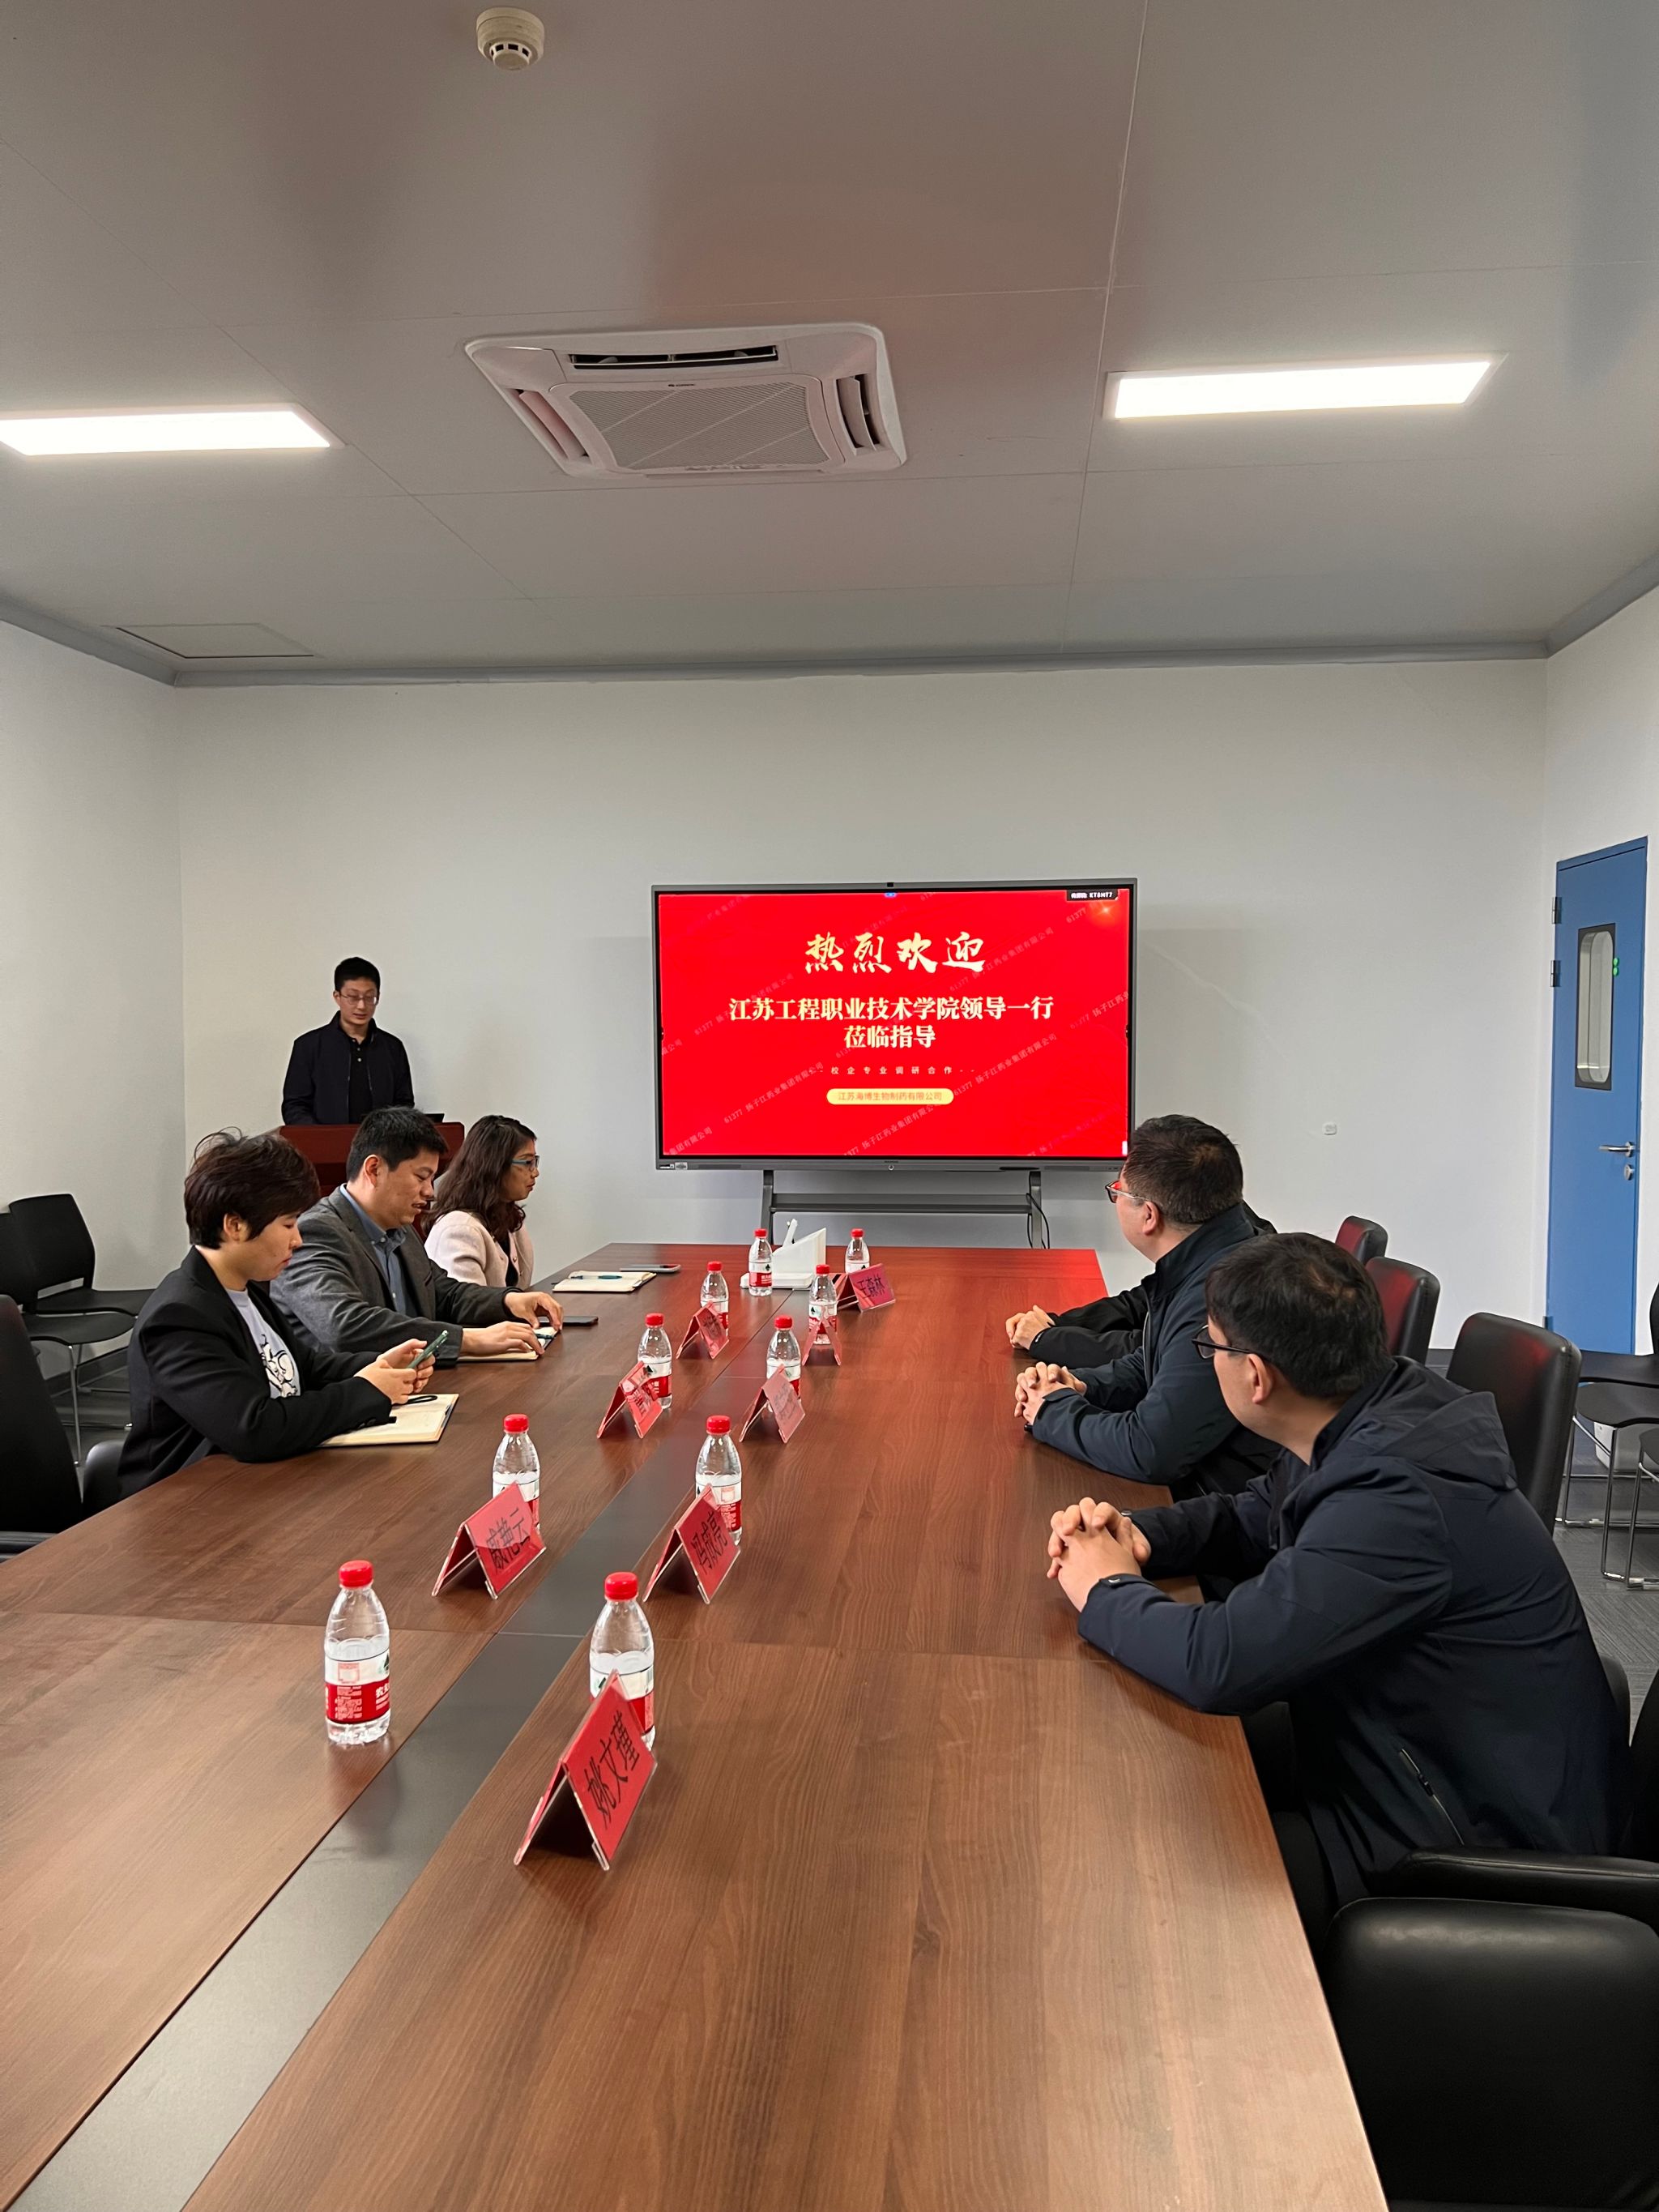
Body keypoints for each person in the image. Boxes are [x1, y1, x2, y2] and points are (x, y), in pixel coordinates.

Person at [1045, 1233, 1630, 1940]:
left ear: (1255, 1377)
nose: (1208, 1360)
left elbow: (1220, 1661)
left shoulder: (1396, 1499)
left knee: (1157, 1869)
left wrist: (1105, 1587)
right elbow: (1259, 1512)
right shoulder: (1370, 1410)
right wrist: (1141, 1535)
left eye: (1210, 1348)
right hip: (1395, 1756)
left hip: (1465, 1849)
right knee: (1158, 1780)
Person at [117, 1131, 435, 1493]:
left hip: (255, 1484)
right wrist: (367, 1391)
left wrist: (379, 1365)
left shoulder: (248, 1289)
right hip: (186, 1502)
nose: (297, 1240)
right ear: (235, 1226)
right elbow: (255, 1428)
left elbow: (307, 1367)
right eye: (287, 1224)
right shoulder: (179, 1317)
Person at [1015, 1116, 1277, 1497]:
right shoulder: (1217, 1257)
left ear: (1149, 1215)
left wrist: (1051, 1411)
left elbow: (1151, 1450)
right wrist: (1082, 1385)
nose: (1116, 1200)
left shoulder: (1223, 1296)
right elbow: (1155, 1363)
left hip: (1227, 1502)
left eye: (1117, 1192)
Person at [271, 1107, 561, 1366]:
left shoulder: (401, 1229)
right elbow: (345, 1325)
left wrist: (508, 1301)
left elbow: (444, 1294)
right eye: (421, 1177)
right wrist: (466, 1340)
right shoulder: (316, 1232)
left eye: (432, 1179)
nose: (430, 1192)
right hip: (352, 1397)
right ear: (374, 1169)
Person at [1005, 1207, 1275, 1364]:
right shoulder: (1223, 1234)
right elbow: (1141, 1304)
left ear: (1149, 1212)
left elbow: (1149, 1352)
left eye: (1118, 1191)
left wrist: (1046, 1339)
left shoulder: (1230, 1279)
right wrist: (1056, 1324)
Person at [281, 958, 414, 1125]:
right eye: (353, 997)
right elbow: (295, 1106)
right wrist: (320, 1136)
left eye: (369, 997)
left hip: (380, 1141)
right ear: (337, 997)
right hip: (325, 1140)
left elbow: (404, 1105)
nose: (361, 1006)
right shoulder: (308, 1046)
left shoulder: (393, 1047)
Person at [424, 1116, 539, 1289]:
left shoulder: (510, 1219)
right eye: (528, 1162)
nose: (535, 1172)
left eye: (535, 1161)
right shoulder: (459, 1230)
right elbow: (469, 1303)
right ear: (495, 1165)